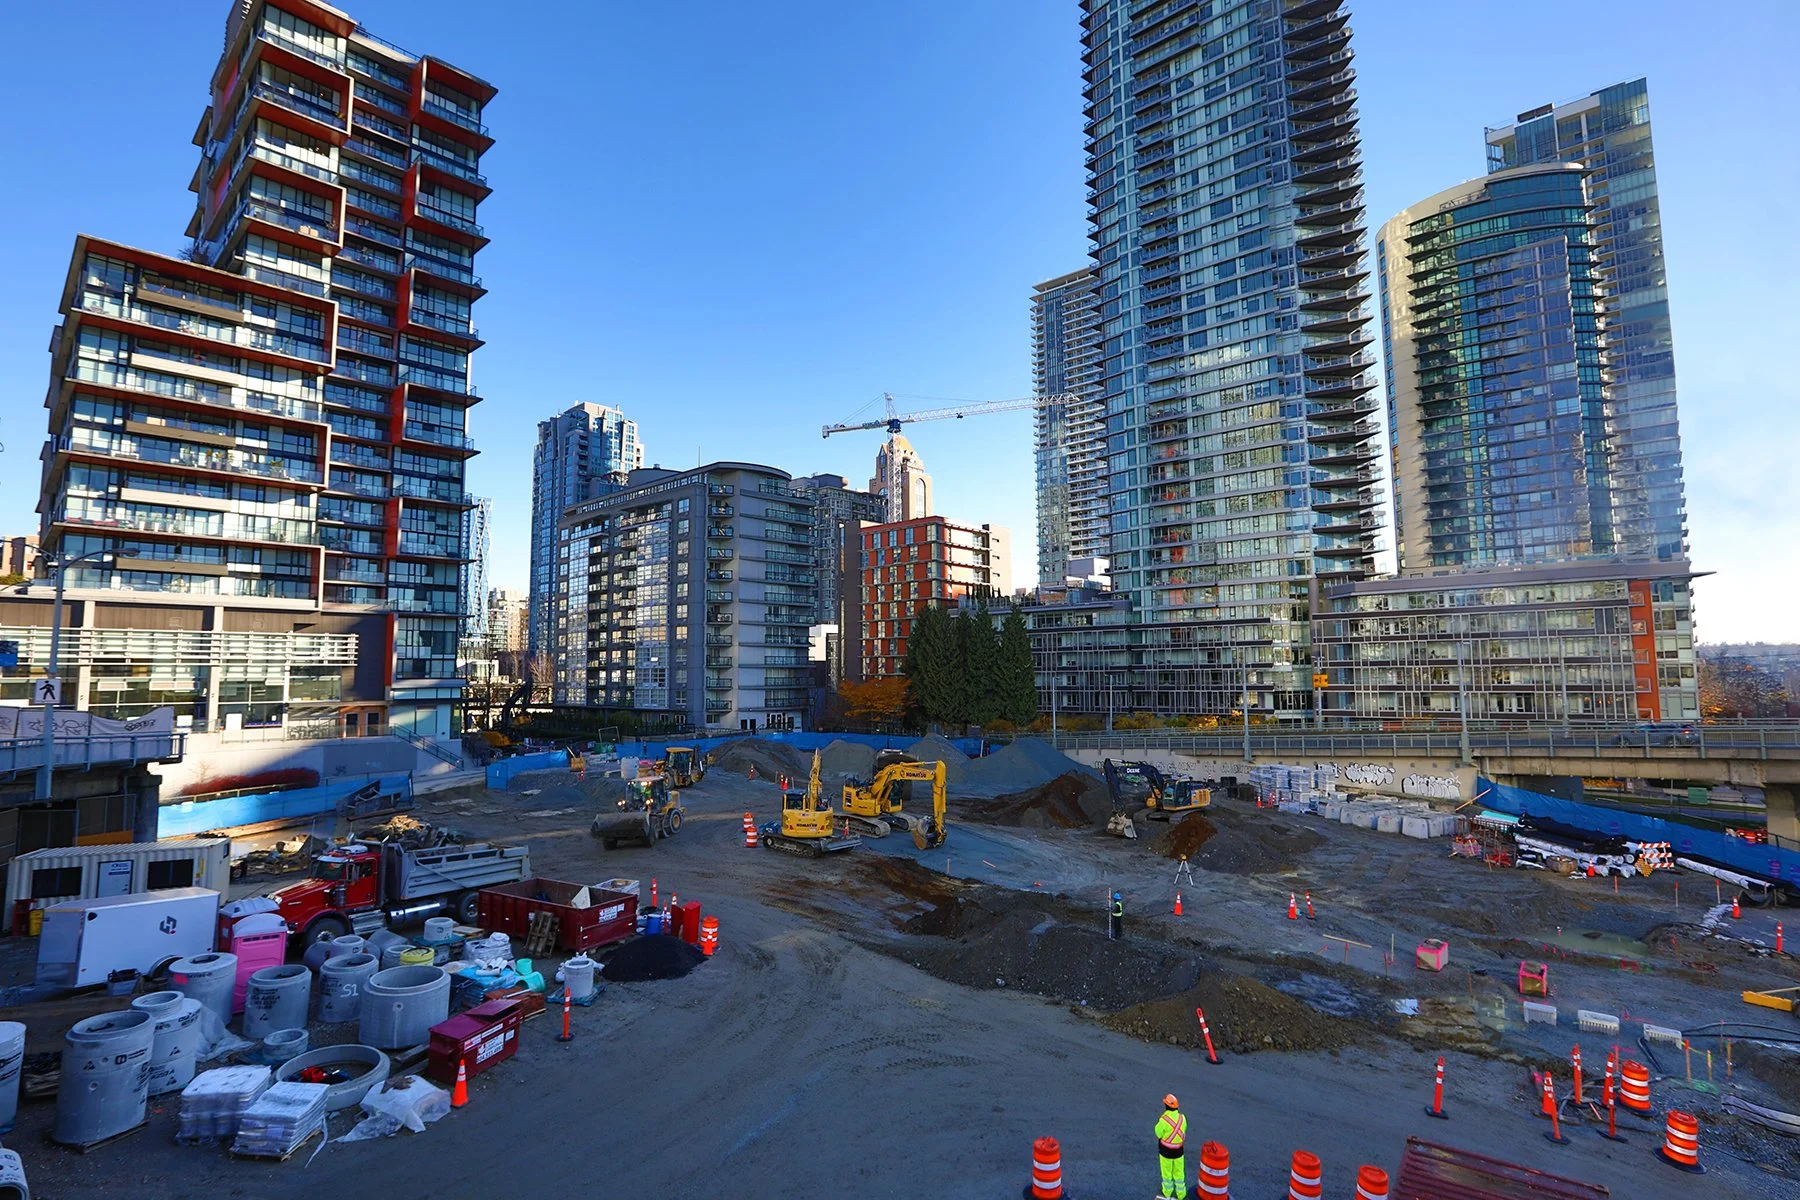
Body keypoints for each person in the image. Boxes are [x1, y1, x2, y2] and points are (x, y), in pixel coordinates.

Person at [1155, 1092, 1187, 1199]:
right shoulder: (1182, 1118)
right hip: (1179, 1151)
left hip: (1166, 1151)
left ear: (1166, 1105)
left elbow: (1158, 1133)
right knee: (1179, 1173)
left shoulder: (1164, 1120)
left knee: (1167, 1173)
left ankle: (1167, 1192)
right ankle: (1181, 1194)